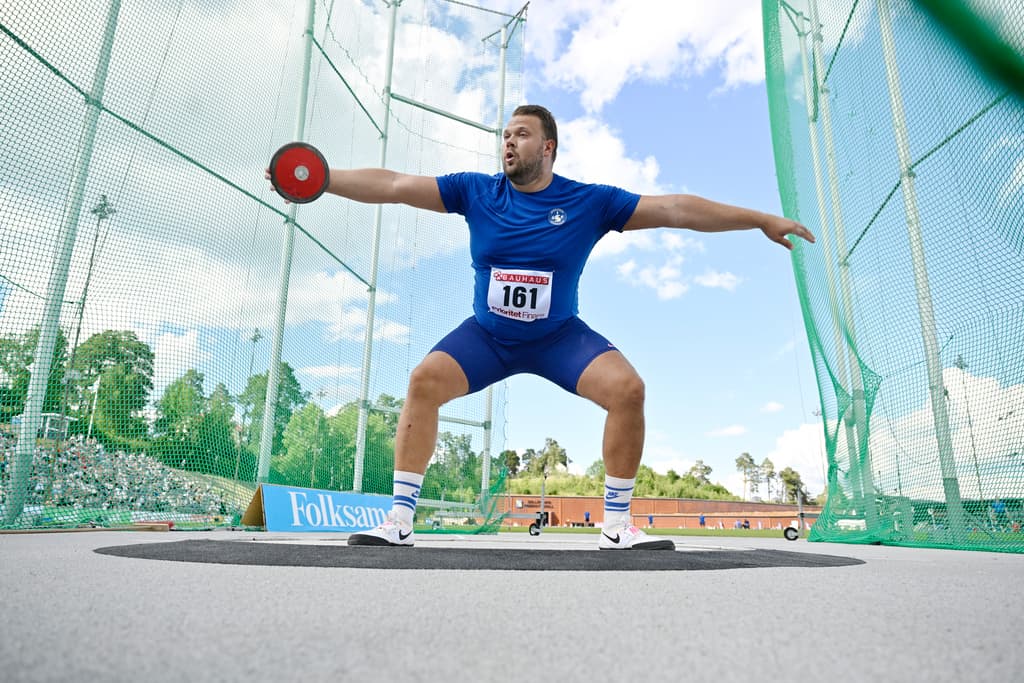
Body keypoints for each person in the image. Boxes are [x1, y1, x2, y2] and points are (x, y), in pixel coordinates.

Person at [274, 104, 814, 550]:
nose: (508, 142)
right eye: (505, 135)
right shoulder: (475, 191)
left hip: (558, 339)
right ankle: (399, 520)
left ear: (548, 147)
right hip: (487, 338)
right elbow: (393, 183)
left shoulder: (589, 202)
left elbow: (675, 208)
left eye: (521, 135)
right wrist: (324, 178)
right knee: (423, 382)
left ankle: (618, 524)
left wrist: (759, 219)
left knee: (628, 389)